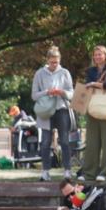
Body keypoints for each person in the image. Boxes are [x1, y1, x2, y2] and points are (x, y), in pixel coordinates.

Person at [31, 45, 74, 181]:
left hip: (61, 109)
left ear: (59, 60)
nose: (54, 64)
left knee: (65, 141)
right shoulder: (39, 73)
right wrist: (47, 92)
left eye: (56, 62)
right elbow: (34, 95)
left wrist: (62, 92)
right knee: (45, 142)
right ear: (47, 60)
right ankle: (45, 171)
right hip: (45, 111)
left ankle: (67, 170)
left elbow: (72, 93)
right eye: (52, 62)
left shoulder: (65, 73)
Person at [83, 45, 106, 182]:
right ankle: (89, 173)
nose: (97, 57)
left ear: (105, 55)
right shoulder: (91, 70)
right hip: (93, 107)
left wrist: (95, 84)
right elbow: (87, 84)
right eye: (95, 55)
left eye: (100, 54)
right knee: (91, 143)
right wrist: (92, 83)